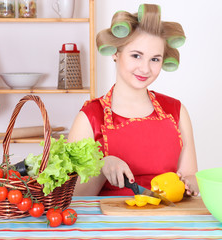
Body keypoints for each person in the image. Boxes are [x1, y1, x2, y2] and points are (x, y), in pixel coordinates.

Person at [68, 4, 199, 197]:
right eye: (136, 56)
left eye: (155, 59)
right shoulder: (90, 117)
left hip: (167, 221)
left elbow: (191, 176)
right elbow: (74, 197)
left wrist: (189, 185)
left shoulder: (176, 111)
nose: (145, 69)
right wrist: (101, 166)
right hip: (108, 224)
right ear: (115, 52)